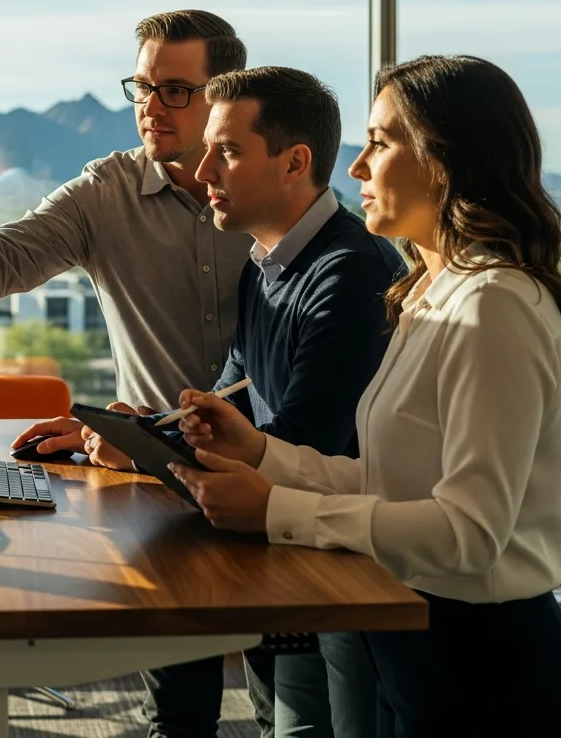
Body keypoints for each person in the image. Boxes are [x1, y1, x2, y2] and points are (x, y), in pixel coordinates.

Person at [0, 9, 278, 738]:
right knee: (178, 711)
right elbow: (11, 253)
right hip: (161, 480)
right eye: (142, 87)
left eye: (176, 90)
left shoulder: (269, 184)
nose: (152, 106)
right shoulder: (105, 192)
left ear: (222, 93)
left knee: (290, 696)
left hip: (280, 465)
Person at [170, 55, 561, 738]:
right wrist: (261, 453)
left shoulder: (494, 305)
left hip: (486, 668)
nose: (357, 167)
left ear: (445, 158)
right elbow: (392, 482)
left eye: (380, 141)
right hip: (420, 647)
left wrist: (279, 509)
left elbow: (469, 534)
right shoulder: (431, 295)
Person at [87, 66, 404, 738]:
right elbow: (237, 407)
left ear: (295, 163)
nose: (203, 173)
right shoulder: (268, 262)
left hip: (336, 574)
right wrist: (154, 429)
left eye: (224, 152)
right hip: (289, 554)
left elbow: (298, 446)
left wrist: (152, 456)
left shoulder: (350, 275)